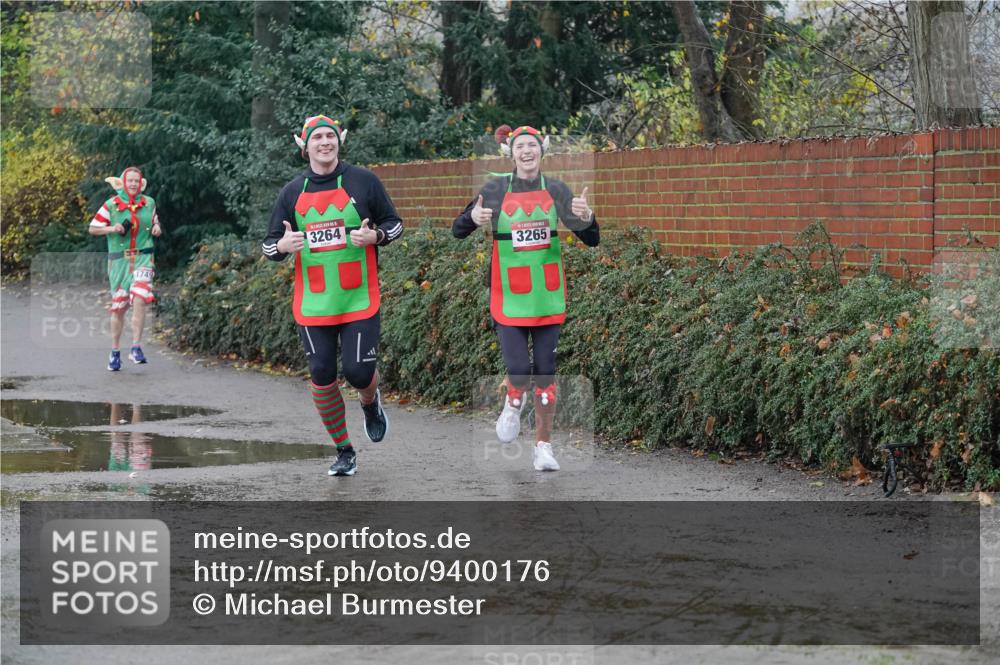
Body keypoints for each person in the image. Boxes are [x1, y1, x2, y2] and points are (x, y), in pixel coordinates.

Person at [452, 125, 599, 471]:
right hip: (508, 295)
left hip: (547, 295)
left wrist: (587, 218)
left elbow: (591, 238)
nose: (527, 151)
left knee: (546, 372)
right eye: (521, 146)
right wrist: (472, 219)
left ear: (542, 150)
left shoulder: (556, 189)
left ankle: (543, 447)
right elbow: (458, 229)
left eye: (532, 145)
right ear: (511, 152)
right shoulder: (495, 189)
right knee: (519, 369)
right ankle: (513, 402)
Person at [262, 115, 402, 477]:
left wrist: (377, 238)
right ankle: (344, 450)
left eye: (330, 136)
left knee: (358, 373)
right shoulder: (292, 192)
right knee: (322, 374)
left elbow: (394, 224)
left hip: (358, 297)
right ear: (304, 145)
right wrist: (282, 245)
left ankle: (370, 403)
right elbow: (268, 245)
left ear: (339, 140)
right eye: (317, 138)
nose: (325, 143)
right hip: (314, 302)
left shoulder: (364, 181)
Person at [89, 167, 161, 371]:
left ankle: (136, 347)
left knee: (140, 297)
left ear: (141, 184)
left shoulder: (149, 203)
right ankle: (115, 351)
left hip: (144, 257)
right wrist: (112, 228)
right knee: (119, 307)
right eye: (129, 181)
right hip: (119, 262)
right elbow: (92, 228)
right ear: (122, 182)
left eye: (136, 181)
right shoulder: (111, 205)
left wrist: (157, 227)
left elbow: (154, 221)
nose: (133, 184)